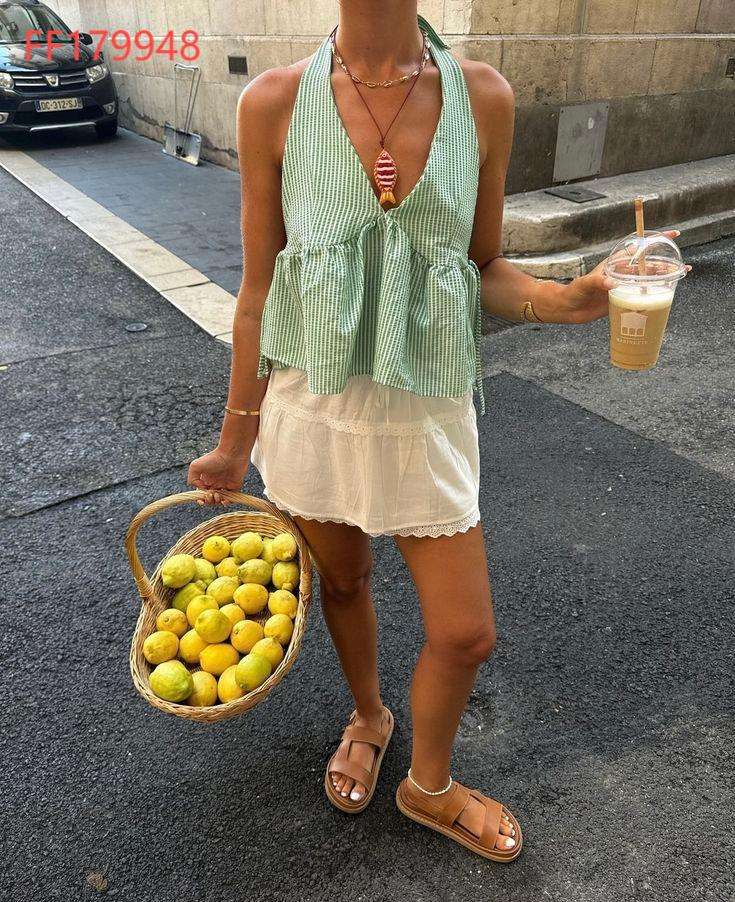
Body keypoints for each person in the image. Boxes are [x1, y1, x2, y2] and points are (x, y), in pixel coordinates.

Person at [187, 0, 680, 861]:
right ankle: (369, 716)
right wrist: (236, 440)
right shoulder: (272, 101)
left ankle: (429, 786)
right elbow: (259, 295)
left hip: (425, 415)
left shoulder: (482, 96)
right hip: (312, 410)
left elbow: (482, 265)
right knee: (342, 585)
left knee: (465, 632)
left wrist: (572, 297)